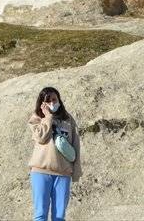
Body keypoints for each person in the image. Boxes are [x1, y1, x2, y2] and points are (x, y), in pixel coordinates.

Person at [28, 86, 81, 221]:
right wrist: (48, 117)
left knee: (59, 217)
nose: (52, 102)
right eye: (48, 100)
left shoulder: (68, 119)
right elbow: (40, 137)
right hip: (41, 171)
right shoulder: (36, 118)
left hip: (63, 173)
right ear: (42, 103)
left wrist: (75, 171)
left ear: (59, 100)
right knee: (40, 215)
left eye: (54, 99)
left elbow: (75, 145)